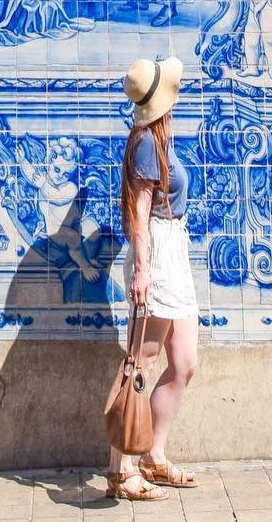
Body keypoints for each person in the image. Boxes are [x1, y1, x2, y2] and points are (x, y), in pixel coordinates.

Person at [107, 54, 198, 502]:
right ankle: (120, 469)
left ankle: (152, 455)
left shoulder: (160, 137)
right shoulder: (145, 142)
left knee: (183, 363)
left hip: (173, 251)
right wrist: (143, 271)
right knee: (139, 365)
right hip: (157, 255)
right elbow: (138, 215)